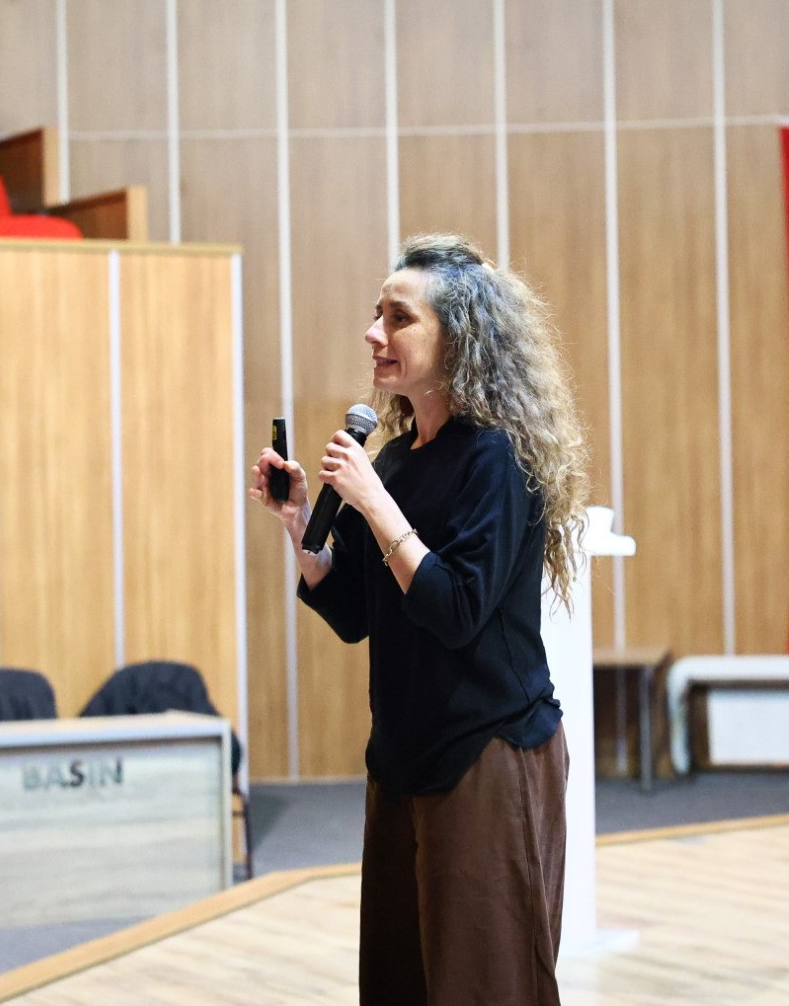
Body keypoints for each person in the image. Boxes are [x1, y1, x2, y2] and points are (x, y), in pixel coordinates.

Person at [249, 233, 589, 1005]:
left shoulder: (497, 459)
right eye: (378, 314)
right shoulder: (396, 459)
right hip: (401, 754)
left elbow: (457, 609)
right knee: (399, 982)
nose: (374, 333)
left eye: (399, 318)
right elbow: (355, 612)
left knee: (484, 986)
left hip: (487, 753)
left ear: (457, 339)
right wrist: (299, 523)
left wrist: (373, 502)